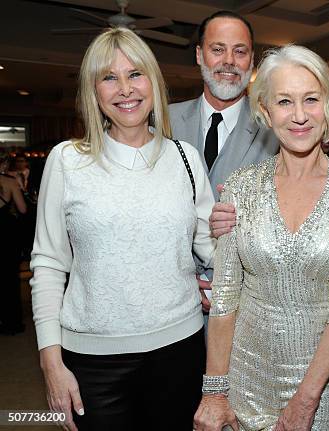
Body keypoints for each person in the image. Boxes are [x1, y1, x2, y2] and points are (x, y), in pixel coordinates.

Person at [30, 27, 216, 431]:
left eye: (135, 74)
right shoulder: (66, 161)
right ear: (93, 92)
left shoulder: (185, 158)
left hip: (179, 352)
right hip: (94, 364)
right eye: (109, 77)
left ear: (153, 81)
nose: (125, 89)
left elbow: (210, 249)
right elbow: (47, 263)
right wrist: (50, 359)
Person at [192, 45, 329, 431]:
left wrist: (307, 398)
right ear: (266, 110)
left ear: (327, 104)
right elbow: (225, 297)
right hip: (244, 378)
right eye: (284, 101)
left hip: (321, 384)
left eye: (311, 99)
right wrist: (214, 391)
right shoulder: (241, 187)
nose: (298, 115)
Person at [170, 10, 279, 312]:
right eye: (217, 49)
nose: (228, 61)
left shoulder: (276, 129)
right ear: (199, 55)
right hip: (174, 309)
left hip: (250, 308)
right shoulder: (161, 124)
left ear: (251, 61)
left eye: (239, 51)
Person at [0, 153, 27, 335]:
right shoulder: (9, 182)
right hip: (5, 236)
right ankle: (11, 322)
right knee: (9, 279)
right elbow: (23, 208)